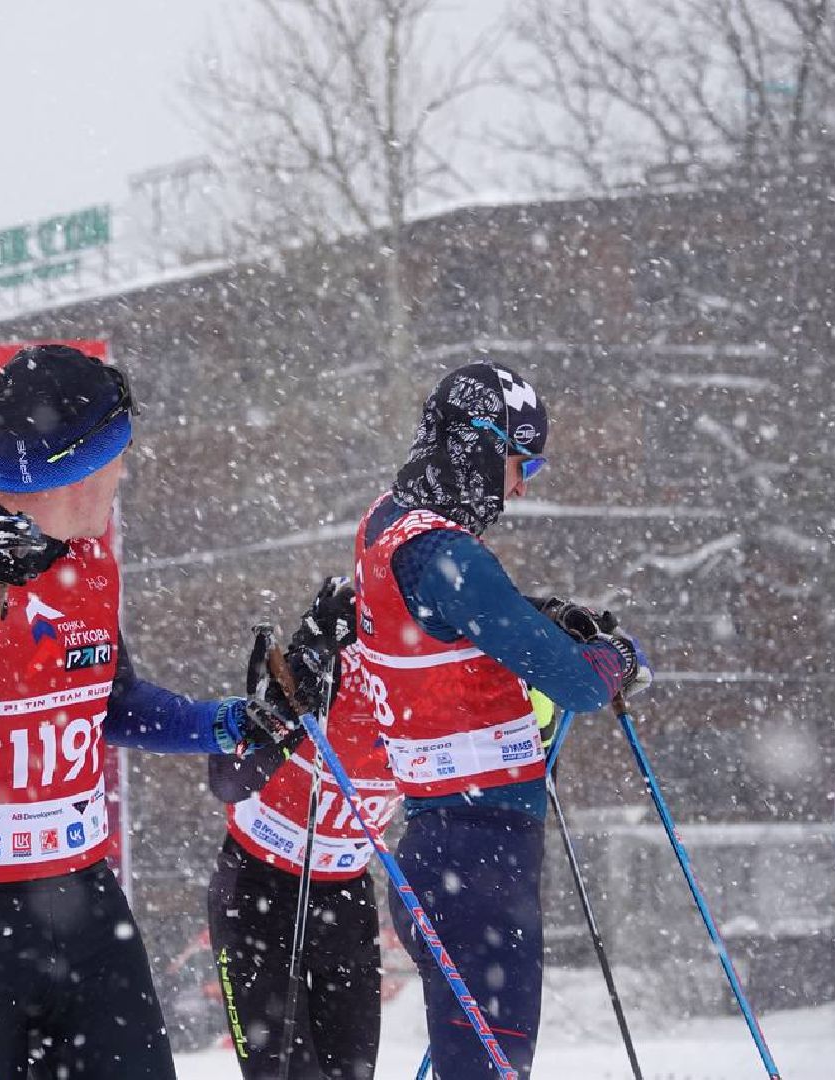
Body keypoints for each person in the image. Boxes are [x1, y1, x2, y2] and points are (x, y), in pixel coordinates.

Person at [0, 343, 292, 1079]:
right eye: (118, 454)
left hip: (82, 907)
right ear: (73, 460)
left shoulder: (88, 560)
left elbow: (113, 704)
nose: (124, 473)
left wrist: (223, 722)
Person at [328, 361, 652, 1079]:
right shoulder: (442, 552)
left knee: (474, 1061)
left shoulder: (387, 523)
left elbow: (462, 630)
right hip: (475, 860)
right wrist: (612, 658)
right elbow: (577, 684)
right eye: (519, 459)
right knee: (489, 1066)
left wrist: (536, 620)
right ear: (477, 443)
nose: (520, 485)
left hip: (447, 848)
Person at [207, 578, 397, 1080]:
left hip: (346, 895)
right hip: (256, 887)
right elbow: (226, 780)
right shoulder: (342, 665)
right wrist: (287, 710)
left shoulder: (434, 685)